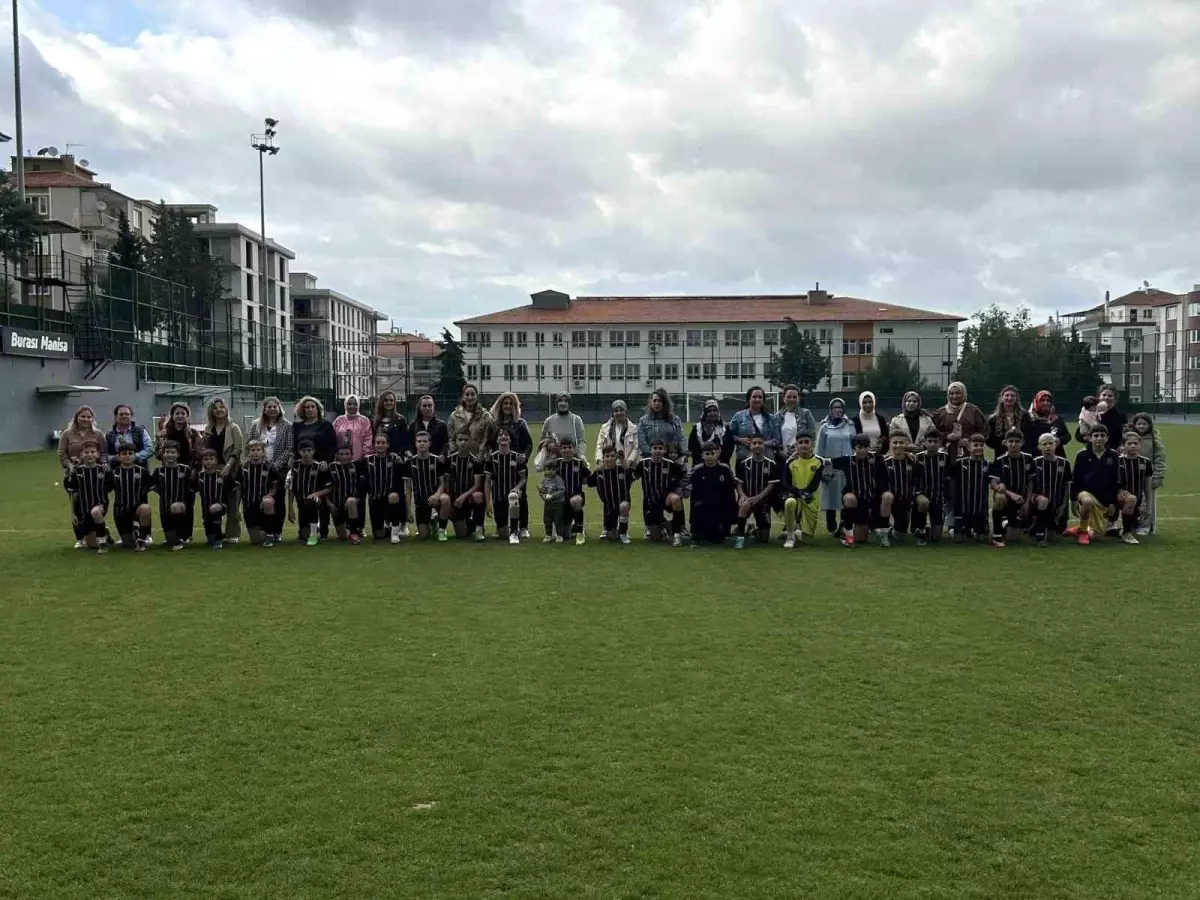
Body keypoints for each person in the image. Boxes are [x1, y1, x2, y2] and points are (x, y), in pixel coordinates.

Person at [831, 434, 890, 547]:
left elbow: (887, 472)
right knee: (849, 498)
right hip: (857, 500)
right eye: (860, 447)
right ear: (854, 448)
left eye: (866, 447)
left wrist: (907, 454)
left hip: (873, 499)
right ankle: (847, 534)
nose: (863, 450)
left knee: (888, 496)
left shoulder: (877, 458)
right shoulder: (847, 460)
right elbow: (825, 462)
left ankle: (884, 533)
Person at [490, 391, 534, 538]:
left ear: (515, 406)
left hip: (518, 466)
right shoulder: (495, 424)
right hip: (499, 466)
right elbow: (491, 444)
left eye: (511, 404)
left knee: (520, 496)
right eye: (505, 403)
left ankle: (523, 527)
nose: (507, 406)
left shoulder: (521, 423)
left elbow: (528, 444)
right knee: (499, 495)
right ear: (500, 406)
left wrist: (524, 457)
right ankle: (501, 526)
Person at [293, 396, 338, 538]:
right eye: (307, 407)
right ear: (302, 410)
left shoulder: (326, 425)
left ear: (317, 409)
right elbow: (294, 447)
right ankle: (304, 529)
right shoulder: (297, 426)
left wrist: (327, 461)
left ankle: (323, 531)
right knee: (303, 499)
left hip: (322, 467)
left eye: (312, 406)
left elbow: (333, 445)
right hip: (304, 468)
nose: (310, 409)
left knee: (322, 499)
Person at [202, 397, 244, 543]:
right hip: (212, 471)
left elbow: (238, 448)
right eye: (215, 408)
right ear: (211, 411)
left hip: (230, 470)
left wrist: (228, 465)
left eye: (221, 407)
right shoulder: (208, 429)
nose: (219, 410)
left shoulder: (233, 427)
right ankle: (214, 532)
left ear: (226, 409)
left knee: (232, 503)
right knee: (214, 501)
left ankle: (233, 533)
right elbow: (206, 450)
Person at [1068, 425, 1120, 546]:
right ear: (1090, 438)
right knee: (1087, 501)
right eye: (1096, 436)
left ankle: (1079, 529)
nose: (1099, 438)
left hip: (1103, 500)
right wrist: (1074, 499)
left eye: (1102, 436)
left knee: (1097, 536)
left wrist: (1113, 502)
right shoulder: (1082, 455)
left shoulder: (1113, 456)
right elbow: (1075, 479)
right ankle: (1083, 533)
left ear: (1107, 438)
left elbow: (1115, 480)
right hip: (1085, 494)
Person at [987, 428, 1034, 547]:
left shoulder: (1028, 459)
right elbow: (993, 483)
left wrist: (1027, 503)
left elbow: (1030, 482)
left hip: (1021, 501)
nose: (1013, 444)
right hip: (1007, 499)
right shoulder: (999, 460)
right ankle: (997, 533)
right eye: (1010, 441)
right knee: (1000, 498)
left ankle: (1007, 523)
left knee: (1013, 538)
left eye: (1017, 441)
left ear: (1022, 443)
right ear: (1005, 443)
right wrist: (1010, 494)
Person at [816, 398, 856, 535]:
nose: (837, 410)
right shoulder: (824, 427)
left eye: (840, 407)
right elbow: (819, 451)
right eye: (834, 407)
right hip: (830, 467)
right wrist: (822, 469)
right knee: (830, 496)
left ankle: (844, 525)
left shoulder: (850, 425)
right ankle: (831, 528)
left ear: (843, 409)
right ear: (830, 410)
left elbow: (855, 445)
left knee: (845, 495)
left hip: (847, 468)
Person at [636, 438, 687, 544]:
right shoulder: (643, 464)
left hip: (665, 498)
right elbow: (632, 476)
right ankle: (665, 526)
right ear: (650, 450)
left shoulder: (671, 464)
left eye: (660, 448)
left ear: (664, 451)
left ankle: (677, 533)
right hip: (650, 502)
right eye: (655, 448)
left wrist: (681, 490)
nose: (657, 451)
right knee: (656, 538)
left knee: (676, 499)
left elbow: (683, 476)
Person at [63, 439, 110, 553]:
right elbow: (73, 494)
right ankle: (105, 532)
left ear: (98, 454)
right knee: (92, 545)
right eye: (86, 452)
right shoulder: (77, 472)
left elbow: (110, 487)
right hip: (84, 508)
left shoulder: (103, 470)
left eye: (93, 452)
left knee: (96, 512)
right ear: (81, 454)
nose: (90, 455)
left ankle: (103, 543)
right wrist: (73, 513)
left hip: (100, 504)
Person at [733, 434, 780, 548]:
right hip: (748, 499)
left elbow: (771, 485)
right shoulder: (743, 464)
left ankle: (754, 530)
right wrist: (742, 496)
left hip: (763, 502)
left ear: (764, 446)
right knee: (744, 505)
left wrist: (758, 497)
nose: (757, 445)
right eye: (754, 443)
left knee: (764, 539)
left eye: (760, 443)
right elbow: (739, 483)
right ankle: (740, 537)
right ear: (750, 446)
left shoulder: (771, 464)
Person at [688, 441, 737, 546]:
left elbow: (731, 490)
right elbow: (693, 491)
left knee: (717, 539)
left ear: (717, 453)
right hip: (702, 507)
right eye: (707, 454)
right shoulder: (697, 470)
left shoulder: (725, 469)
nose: (710, 456)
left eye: (712, 453)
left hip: (720, 507)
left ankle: (723, 529)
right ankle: (696, 535)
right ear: (702, 455)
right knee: (702, 537)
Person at [362, 430, 406, 543]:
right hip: (375, 500)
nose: (380, 445)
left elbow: (401, 479)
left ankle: (395, 531)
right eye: (378, 443)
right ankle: (387, 526)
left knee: (394, 496)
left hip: (389, 498)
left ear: (388, 445)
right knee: (379, 535)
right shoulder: (367, 460)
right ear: (374, 444)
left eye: (383, 443)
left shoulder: (394, 459)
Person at [239, 439, 285, 548]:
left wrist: (269, 495)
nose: (255, 452)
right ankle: (264, 533)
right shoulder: (243, 468)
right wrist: (237, 507)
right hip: (249, 504)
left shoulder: (269, 467)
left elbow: (276, 485)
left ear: (263, 452)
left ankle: (269, 534)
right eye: (252, 450)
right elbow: (238, 488)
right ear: (248, 452)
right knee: (256, 540)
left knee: (268, 502)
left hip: (264, 504)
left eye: (258, 450)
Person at [442, 430, 487, 542]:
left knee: (478, 495)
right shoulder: (449, 460)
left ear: (471, 442)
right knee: (461, 534)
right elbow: (446, 483)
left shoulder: (476, 461)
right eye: (460, 440)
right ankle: (466, 522)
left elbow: (477, 485)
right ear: (456, 442)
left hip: (469, 498)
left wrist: (464, 496)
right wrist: (450, 502)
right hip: (456, 500)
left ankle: (479, 529)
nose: (463, 442)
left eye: (466, 440)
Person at [781, 433, 823, 549]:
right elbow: (786, 483)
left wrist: (805, 493)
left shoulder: (818, 462)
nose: (804, 445)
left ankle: (797, 530)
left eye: (806, 442)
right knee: (790, 502)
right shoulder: (790, 462)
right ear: (796, 446)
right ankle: (790, 536)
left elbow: (814, 485)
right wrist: (799, 493)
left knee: (807, 540)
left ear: (812, 444)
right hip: (794, 495)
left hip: (810, 498)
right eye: (800, 443)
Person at [109, 441, 153, 551]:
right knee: (128, 545)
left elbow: (148, 489)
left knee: (145, 508)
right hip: (121, 511)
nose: (127, 456)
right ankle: (133, 530)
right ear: (118, 457)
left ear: (134, 455)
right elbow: (105, 488)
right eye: (124, 454)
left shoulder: (143, 472)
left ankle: (142, 540)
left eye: (130, 453)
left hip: (137, 509)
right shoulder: (114, 473)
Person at [150, 440, 194, 550]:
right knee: (170, 541)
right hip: (164, 507)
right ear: (163, 454)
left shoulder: (185, 469)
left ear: (178, 454)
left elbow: (191, 488)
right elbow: (151, 485)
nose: (170, 455)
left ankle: (180, 538)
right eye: (167, 452)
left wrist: (184, 503)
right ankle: (176, 538)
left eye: (173, 452)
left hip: (180, 508)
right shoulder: (159, 471)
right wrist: (160, 491)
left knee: (175, 507)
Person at [1030, 432, 1072, 547]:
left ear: (1056, 444)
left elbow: (1067, 486)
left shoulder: (1064, 463)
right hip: (1038, 501)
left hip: (1056, 503)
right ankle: (1039, 533)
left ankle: (1037, 526)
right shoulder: (1035, 462)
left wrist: (1064, 505)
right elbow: (1029, 485)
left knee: (1052, 537)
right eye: (1044, 444)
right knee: (1043, 501)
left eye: (1050, 443)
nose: (1048, 446)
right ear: (1039, 446)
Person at [485, 429, 527, 544]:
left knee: (513, 497)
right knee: (503, 534)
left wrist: (517, 488)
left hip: (513, 493)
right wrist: (487, 503)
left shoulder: (517, 457)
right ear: (497, 439)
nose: (503, 437)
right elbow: (487, 482)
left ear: (510, 439)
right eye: (500, 435)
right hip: (498, 495)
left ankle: (514, 532)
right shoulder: (491, 458)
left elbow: (523, 479)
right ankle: (505, 529)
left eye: (506, 435)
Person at [320, 442, 367, 544]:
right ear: (336, 455)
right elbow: (327, 488)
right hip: (336, 505)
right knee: (342, 537)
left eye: (347, 454)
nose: (344, 456)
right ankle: (348, 529)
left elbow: (363, 487)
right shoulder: (331, 468)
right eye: (341, 454)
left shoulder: (357, 467)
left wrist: (357, 499)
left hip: (351, 504)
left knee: (351, 501)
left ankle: (354, 532)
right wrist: (329, 504)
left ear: (351, 455)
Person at [588, 444, 635, 544]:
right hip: (609, 506)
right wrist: (595, 470)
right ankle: (612, 529)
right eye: (607, 456)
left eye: (612, 456)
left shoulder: (622, 470)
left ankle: (623, 533)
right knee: (612, 537)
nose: (610, 459)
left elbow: (633, 476)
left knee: (624, 505)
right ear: (603, 458)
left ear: (616, 457)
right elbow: (589, 482)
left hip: (622, 503)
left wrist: (624, 462)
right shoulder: (599, 472)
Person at [1128, 413, 1166, 535]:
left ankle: (1147, 526)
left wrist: (1158, 475)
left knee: (1149, 501)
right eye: (1139, 424)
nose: (1141, 426)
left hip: (1149, 475)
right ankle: (1134, 524)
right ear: (1134, 425)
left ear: (1149, 425)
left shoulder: (1155, 439)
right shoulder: (1130, 438)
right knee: (1136, 500)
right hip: (1133, 475)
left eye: (1144, 424)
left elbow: (1160, 458)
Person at [287, 440, 330, 547]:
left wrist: (316, 494)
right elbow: (291, 488)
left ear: (313, 451)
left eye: (309, 450)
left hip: (315, 500)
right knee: (303, 537)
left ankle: (314, 534)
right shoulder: (295, 467)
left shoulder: (318, 467)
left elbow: (329, 487)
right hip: (301, 501)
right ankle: (309, 530)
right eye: (303, 451)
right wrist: (290, 508)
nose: (306, 453)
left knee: (310, 501)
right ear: (299, 452)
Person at [912, 427, 950, 546]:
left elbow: (950, 477)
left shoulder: (945, 457)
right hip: (921, 495)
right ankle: (921, 531)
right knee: (924, 503)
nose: (933, 444)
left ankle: (923, 529)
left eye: (935, 441)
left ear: (940, 442)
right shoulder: (916, 458)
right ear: (924, 442)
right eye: (930, 441)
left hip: (939, 497)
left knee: (936, 538)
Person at [931, 382, 988, 462]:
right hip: (947, 454)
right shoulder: (941, 413)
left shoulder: (973, 411)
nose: (954, 396)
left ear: (963, 393)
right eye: (951, 393)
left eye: (957, 393)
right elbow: (933, 432)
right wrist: (947, 436)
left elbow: (984, 430)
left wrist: (971, 441)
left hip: (970, 454)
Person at [407, 431, 447, 541]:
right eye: (419, 441)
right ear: (415, 444)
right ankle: (431, 522)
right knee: (423, 536)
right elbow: (408, 488)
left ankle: (440, 528)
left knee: (445, 499)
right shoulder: (411, 462)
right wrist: (408, 510)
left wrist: (436, 495)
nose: (422, 443)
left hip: (435, 499)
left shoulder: (437, 460)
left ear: (430, 443)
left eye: (425, 441)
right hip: (420, 501)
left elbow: (442, 483)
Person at [951, 434, 992, 542]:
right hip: (962, 507)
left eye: (981, 445)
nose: (979, 447)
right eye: (975, 445)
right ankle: (957, 529)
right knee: (958, 540)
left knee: (982, 539)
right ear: (969, 447)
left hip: (980, 508)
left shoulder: (987, 464)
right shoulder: (960, 463)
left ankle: (976, 528)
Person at [882, 431, 922, 542]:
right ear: (890, 444)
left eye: (901, 443)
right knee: (887, 497)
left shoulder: (912, 461)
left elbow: (916, 481)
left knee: (900, 534)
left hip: (905, 501)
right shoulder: (883, 462)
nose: (898, 445)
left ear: (906, 444)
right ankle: (884, 530)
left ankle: (898, 527)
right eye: (895, 443)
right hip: (889, 501)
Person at [724, 386, 779, 465]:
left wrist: (762, 444)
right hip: (744, 458)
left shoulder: (771, 418)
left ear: (763, 400)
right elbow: (730, 435)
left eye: (760, 397)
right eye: (754, 397)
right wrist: (740, 440)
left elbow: (776, 439)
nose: (757, 399)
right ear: (749, 399)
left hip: (766, 459)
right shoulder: (738, 416)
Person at [1116, 432, 1153, 545]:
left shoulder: (1145, 462)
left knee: (1133, 525)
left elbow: (1147, 486)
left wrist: (1148, 505)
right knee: (1130, 500)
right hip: (1118, 498)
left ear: (1140, 445)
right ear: (1123, 445)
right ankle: (1126, 534)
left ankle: (1123, 530)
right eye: (1129, 443)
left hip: (1137, 500)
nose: (1133, 446)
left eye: (1135, 443)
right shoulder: (1118, 461)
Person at [195, 447, 234, 550]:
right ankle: (216, 536)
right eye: (206, 459)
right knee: (209, 537)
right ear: (202, 461)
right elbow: (192, 489)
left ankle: (218, 540)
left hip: (221, 505)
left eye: (211, 459)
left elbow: (233, 488)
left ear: (216, 460)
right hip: (205, 506)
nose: (209, 461)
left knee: (215, 508)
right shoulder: (199, 476)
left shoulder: (222, 474)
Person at [556, 437, 591, 545]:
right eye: (564, 448)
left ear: (574, 449)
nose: (567, 450)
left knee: (576, 500)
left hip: (576, 497)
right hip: (561, 499)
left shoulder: (579, 464)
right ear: (560, 450)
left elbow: (589, 480)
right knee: (565, 535)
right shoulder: (556, 464)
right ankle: (569, 527)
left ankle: (580, 532)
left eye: (569, 447)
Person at [448, 383, 495, 462]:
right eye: (467, 394)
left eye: (473, 394)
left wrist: (481, 454)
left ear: (477, 396)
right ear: (463, 397)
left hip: (479, 460)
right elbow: (451, 438)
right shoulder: (454, 416)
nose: (470, 397)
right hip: (460, 460)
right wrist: (455, 453)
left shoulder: (486, 416)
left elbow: (488, 439)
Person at [247, 396, 294, 472]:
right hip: (257, 465)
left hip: (278, 467)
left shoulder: (287, 426)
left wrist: (277, 465)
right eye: (269, 407)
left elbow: (289, 448)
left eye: (275, 406)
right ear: (264, 410)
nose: (272, 409)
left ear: (279, 408)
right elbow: (248, 443)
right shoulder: (255, 424)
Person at [638, 388, 686, 461]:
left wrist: (683, 454)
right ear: (651, 402)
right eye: (654, 400)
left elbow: (681, 438)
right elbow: (642, 441)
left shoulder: (675, 419)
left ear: (664, 403)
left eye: (659, 401)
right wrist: (655, 454)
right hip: (650, 459)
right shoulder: (643, 421)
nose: (657, 403)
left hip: (671, 459)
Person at [1075, 384, 1127, 451]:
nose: (1106, 398)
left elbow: (1122, 437)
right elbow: (1079, 436)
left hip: (1112, 452)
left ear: (1115, 399)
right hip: (1092, 451)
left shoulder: (1121, 417)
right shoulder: (1089, 413)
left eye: (1110, 396)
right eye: (1104, 395)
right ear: (1099, 397)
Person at [58, 405, 108, 473]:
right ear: (76, 418)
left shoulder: (98, 434)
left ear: (92, 419)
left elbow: (103, 453)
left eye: (89, 417)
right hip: (74, 471)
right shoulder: (67, 434)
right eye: (83, 416)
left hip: (94, 471)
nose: (86, 419)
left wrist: (103, 463)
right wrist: (69, 465)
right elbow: (62, 453)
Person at [985, 386, 1031, 457]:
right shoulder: (993, 419)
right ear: (1001, 398)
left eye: (1012, 396)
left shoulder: (1025, 416)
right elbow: (988, 442)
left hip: (1021, 456)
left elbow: (1029, 436)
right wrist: (989, 460)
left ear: (1016, 398)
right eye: (1007, 395)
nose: (1009, 398)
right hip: (999, 457)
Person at [540, 392, 587, 461]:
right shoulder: (549, 420)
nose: (563, 403)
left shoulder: (576, 420)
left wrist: (579, 456)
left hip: (572, 460)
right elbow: (542, 440)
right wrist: (549, 445)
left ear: (569, 404)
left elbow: (581, 441)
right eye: (560, 400)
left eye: (566, 401)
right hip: (553, 461)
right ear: (556, 403)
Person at [596, 400, 640, 469]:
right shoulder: (604, 427)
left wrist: (629, 461)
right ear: (613, 413)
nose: (619, 413)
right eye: (616, 411)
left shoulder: (633, 428)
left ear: (626, 412)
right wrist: (600, 460)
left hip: (626, 465)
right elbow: (599, 445)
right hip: (608, 464)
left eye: (621, 410)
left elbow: (635, 447)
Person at [1024, 390, 1070, 456]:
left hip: (1056, 457)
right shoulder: (1029, 419)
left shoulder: (1056, 419)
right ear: (1036, 401)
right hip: (1036, 457)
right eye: (1042, 400)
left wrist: (1059, 440)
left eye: (1048, 401)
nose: (1046, 403)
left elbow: (1067, 436)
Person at [777, 385, 818, 457]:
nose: (792, 399)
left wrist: (800, 448)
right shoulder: (777, 416)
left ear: (798, 398)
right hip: (782, 456)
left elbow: (812, 435)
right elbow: (775, 438)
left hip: (801, 456)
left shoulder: (806, 413)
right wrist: (779, 451)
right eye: (789, 397)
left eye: (794, 397)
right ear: (783, 398)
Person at [333, 395, 374, 462]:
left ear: (358, 405)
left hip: (359, 460)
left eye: (355, 404)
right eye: (349, 404)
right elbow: (333, 438)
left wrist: (366, 456)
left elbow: (368, 439)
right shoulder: (338, 420)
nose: (352, 406)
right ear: (345, 405)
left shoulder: (364, 420)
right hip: (341, 459)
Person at [373, 390, 410, 458]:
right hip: (380, 457)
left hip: (397, 458)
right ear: (381, 402)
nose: (389, 402)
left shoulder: (401, 420)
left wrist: (399, 454)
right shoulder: (375, 420)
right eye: (386, 400)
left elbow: (405, 441)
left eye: (391, 400)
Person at [538, 460, 567, 544]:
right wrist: (543, 496)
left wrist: (552, 496)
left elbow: (562, 490)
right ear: (545, 470)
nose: (550, 471)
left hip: (558, 504)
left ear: (556, 470)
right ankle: (548, 535)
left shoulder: (558, 479)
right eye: (548, 469)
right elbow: (541, 489)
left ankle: (559, 535)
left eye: (552, 469)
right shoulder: (545, 480)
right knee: (547, 519)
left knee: (558, 520)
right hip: (548, 504)